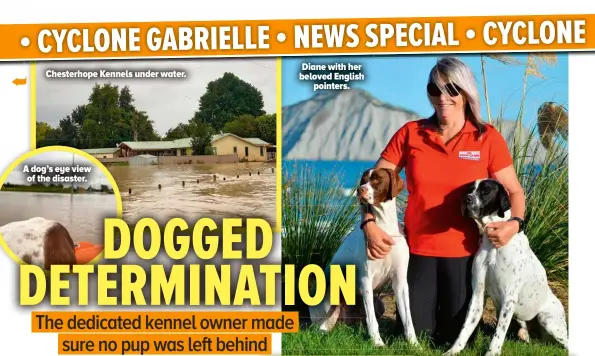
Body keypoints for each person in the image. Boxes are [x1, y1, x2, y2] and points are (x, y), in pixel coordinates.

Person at [360, 56, 526, 346]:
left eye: (451, 89)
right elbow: (370, 185)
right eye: (434, 90)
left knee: (455, 338)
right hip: (417, 252)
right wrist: (369, 223)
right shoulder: (410, 134)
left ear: (466, 92)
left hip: (465, 255)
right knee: (415, 336)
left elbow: (514, 191)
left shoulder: (487, 138)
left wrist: (515, 222)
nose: (442, 97)